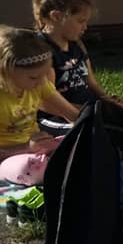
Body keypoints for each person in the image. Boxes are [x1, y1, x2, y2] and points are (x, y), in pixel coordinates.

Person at [32, 0, 123, 135]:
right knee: (99, 132)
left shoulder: (76, 44)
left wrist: (107, 102)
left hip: (84, 111)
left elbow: (91, 82)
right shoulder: (42, 50)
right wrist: (85, 113)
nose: (85, 27)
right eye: (81, 21)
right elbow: (46, 102)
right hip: (55, 117)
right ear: (56, 16)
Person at [0, 26, 80, 185]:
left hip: (38, 151)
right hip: (11, 158)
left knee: (82, 147)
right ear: (5, 72)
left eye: (44, 74)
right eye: (33, 77)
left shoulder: (39, 84)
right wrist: (27, 148)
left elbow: (72, 114)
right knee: (28, 168)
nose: (41, 82)